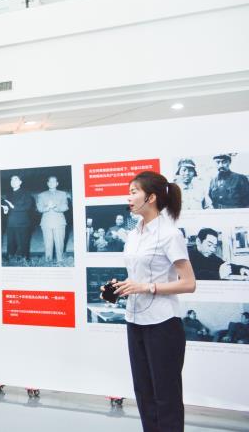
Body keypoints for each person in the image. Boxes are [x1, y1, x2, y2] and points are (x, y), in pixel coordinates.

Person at [112, 171, 196, 432]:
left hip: (163, 324)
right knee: (144, 394)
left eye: (133, 192)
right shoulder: (134, 234)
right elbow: (138, 276)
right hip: (135, 320)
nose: (128, 197)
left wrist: (147, 287)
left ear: (151, 198)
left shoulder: (170, 234)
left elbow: (189, 283)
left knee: (166, 396)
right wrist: (121, 287)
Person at [35, 176, 69, 263]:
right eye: (50, 182)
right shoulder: (41, 195)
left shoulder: (62, 194)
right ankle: (48, 261)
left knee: (59, 243)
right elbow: (39, 208)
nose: (51, 183)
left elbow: (65, 206)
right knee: (48, 244)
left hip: (59, 222)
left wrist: (56, 207)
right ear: (47, 183)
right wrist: (47, 207)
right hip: (46, 222)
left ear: (57, 183)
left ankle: (60, 261)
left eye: (54, 182)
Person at [2, 175, 34, 259]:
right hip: (11, 223)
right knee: (11, 243)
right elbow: (8, 208)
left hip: (22, 223)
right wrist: (6, 210)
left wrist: (13, 207)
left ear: (20, 182)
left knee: (23, 244)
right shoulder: (8, 194)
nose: (13, 181)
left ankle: (24, 260)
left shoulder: (26, 193)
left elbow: (28, 206)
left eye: (15, 179)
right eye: (11, 180)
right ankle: (11, 259)